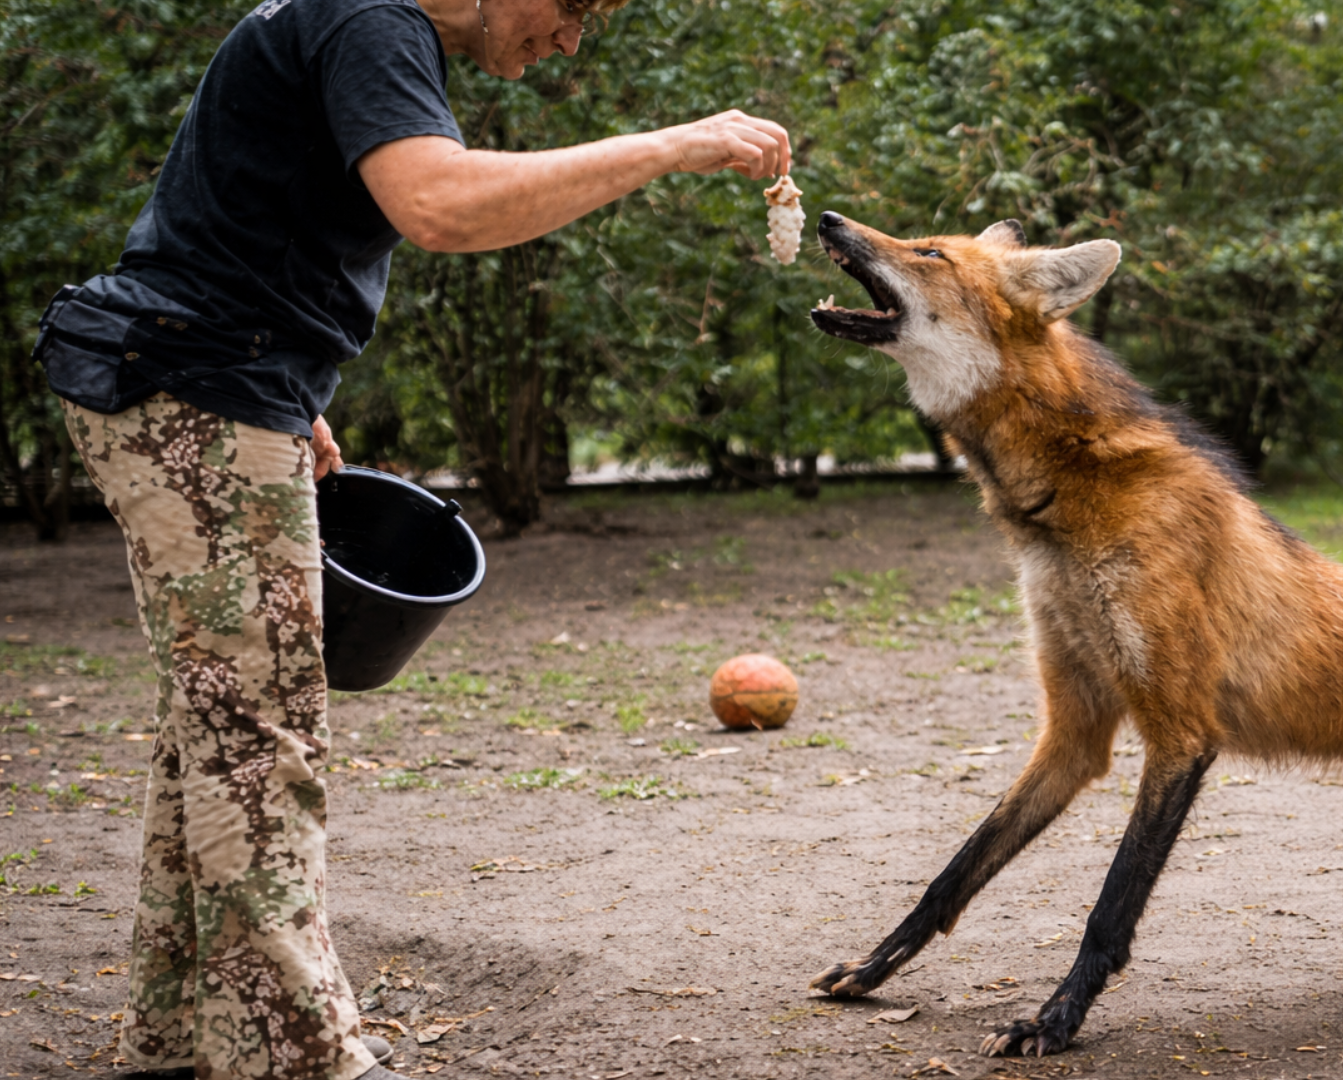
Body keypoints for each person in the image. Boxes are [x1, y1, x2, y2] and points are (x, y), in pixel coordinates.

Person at [32, 2, 790, 1078]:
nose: (572, 39)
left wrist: (287, 384)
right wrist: (677, 144)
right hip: (188, 382)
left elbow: (231, 208)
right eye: (574, 8)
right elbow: (437, 203)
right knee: (258, 735)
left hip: (209, 376)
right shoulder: (373, 19)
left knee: (219, 725)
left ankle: (185, 1037)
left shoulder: (344, 18)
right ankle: (302, 1060)